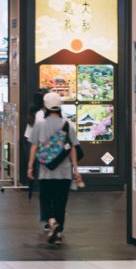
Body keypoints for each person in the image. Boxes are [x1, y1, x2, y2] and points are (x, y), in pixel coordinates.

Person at [27, 92, 82, 246]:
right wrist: (76, 170)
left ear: (45, 106)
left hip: (46, 170)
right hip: (64, 172)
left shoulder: (40, 125)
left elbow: (34, 146)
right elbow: (72, 148)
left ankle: (51, 221)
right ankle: (58, 233)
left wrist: (30, 166)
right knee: (61, 201)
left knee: (45, 199)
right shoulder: (67, 125)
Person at [24, 90, 48, 228]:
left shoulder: (35, 114)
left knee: (44, 186)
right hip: (47, 152)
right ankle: (52, 218)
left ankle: (47, 218)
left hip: (38, 149)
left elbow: (31, 141)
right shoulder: (41, 116)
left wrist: (30, 166)